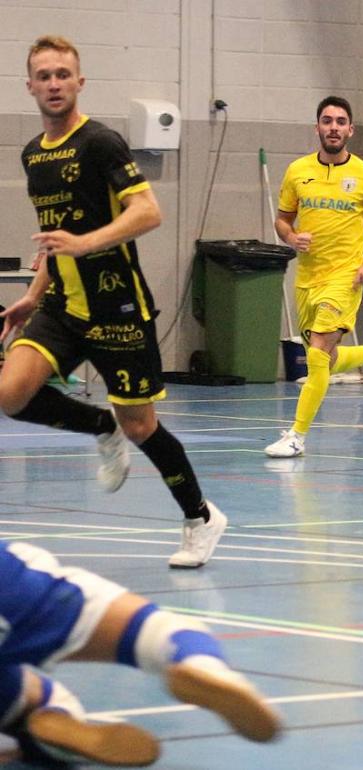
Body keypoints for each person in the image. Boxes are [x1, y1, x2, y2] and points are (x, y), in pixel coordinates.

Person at [0, 36, 226, 569]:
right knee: (10, 393)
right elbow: (53, 236)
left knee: (141, 426)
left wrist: (86, 242)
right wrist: (33, 296)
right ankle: (98, 428)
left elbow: (148, 212)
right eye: (44, 75)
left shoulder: (101, 142)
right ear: (29, 85)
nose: (54, 83)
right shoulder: (34, 153)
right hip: (61, 305)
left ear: (79, 82)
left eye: (63, 74)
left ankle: (200, 517)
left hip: (118, 307)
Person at [0, 540, 281, 765]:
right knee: (155, 631)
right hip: (11, 592)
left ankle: (48, 726)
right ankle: (205, 665)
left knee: (20, 698)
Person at [264, 95, 363, 459]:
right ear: (318, 127)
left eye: (341, 121)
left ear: (350, 130)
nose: (334, 127)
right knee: (322, 356)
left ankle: (297, 435)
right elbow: (282, 219)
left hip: (346, 276)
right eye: (327, 121)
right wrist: (290, 237)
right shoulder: (297, 171)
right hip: (308, 277)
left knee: (319, 351)